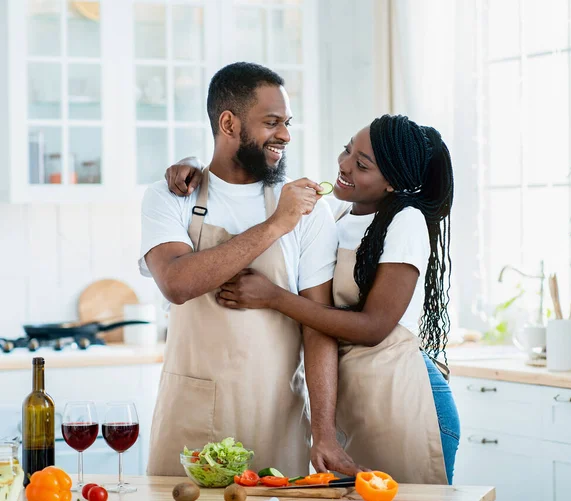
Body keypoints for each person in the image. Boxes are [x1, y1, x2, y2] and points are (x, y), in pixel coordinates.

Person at [166, 114, 460, 484]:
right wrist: (194, 165)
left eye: (362, 164)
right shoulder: (338, 213)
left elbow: (373, 327)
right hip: (358, 405)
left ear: (392, 184)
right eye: (347, 150)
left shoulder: (406, 221)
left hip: (405, 401)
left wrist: (274, 297)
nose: (344, 165)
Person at [140, 62, 360, 477]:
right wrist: (276, 224)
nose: (285, 135)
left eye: (287, 122)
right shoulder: (170, 196)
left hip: (277, 414)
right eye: (272, 122)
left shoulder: (308, 207)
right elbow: (177, 282)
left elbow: (319, 326)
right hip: (189, 419)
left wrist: (324, 432)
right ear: (228, 122)